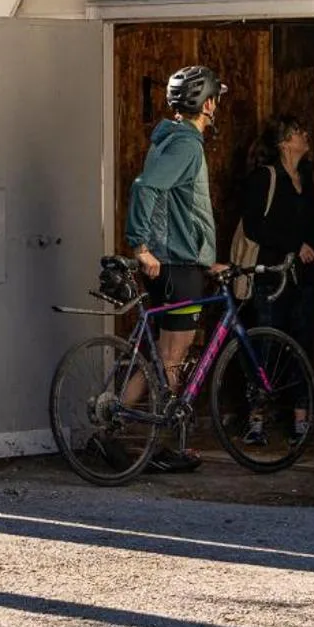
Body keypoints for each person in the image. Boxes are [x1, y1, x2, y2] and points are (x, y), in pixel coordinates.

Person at [124, 63, 228, 472]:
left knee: (161, 356)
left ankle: (114, 425)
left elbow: (180, 207)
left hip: (182, 261)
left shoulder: (170, 140)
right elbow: (147, 187)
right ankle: (165, 444)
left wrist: (206, 258)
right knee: (172, 357)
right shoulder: (186, 145)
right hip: (174, 265)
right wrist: (140, 246)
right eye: (215, 97)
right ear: (207, 104)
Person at [234, 116, 314, 440]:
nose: (306, 136)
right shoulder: (264, 179)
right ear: (284, 142)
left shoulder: (307, 177)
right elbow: (255, 227)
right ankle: (256, 420)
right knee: (267, 345)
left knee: (300, 345)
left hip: (303, 278)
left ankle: (300, 420)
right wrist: (294, 245)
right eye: (299, 132)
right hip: (271, 276)